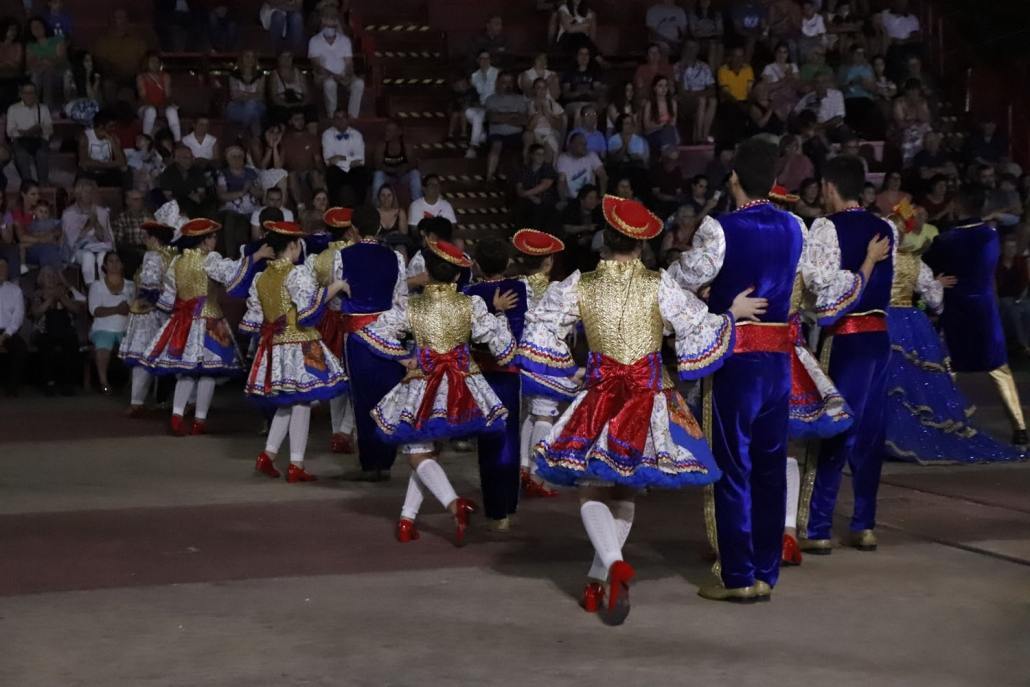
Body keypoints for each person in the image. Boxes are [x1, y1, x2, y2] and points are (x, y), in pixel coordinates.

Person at [518, 194, 758, 623]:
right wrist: (730, 314)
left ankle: (609, 567)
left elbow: (539, 326)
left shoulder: (579, 283)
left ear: (603, 241)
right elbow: (695, 325)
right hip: (648, 399)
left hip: (601, 396)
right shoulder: (659, 283)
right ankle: (600, 577)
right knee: (625, 490)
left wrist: (567, 369)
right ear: (642, 246)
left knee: (591, 488)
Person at [670, 142, 888, 600]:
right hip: (779, 362)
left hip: (738, 360)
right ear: (772, 182)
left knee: (733, 467)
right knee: (769, 467)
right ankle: (766, 571)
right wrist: (864, 271)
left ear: (733, 179)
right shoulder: (796, 226)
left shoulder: (720, 227)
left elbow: (678, 282)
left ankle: (737, 577)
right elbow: (824, 289)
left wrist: (719, 306)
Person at [368, 236, 517, 546]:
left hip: (426, 382)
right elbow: (503, 348)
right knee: (426, 452)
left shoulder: (413, 305)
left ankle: (453, 504)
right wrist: (501, 318)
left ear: (429, 272)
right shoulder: (469, 304)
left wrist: (403, 357)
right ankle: (407, 519)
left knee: (417, 453)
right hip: (462, 384)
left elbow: (375, 332)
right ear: (458, 274)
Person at [799, 155, 897, 557]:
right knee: (871, 433)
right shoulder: (886, 227)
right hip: (881, 339)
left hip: (847, 336)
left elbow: (819, 288)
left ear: (828, 187)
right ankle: (865, 524)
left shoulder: (826, 228)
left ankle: (820, 525)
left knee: (835, 426)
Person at [883, 212, 1024, 464]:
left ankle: (880, 435)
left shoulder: (875, 259)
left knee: (887, 380)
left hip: (882, 320)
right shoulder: (914, 261)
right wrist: (934, 289)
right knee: (918, 383)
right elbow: (934, 299)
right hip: (912, 321)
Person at [242, 220, 349, 483]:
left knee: (288, 402)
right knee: (301, 401)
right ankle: (295, 464)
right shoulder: (296, 273)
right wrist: (336, 287)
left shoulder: (261, 277)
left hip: (275, 346)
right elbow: (309, 310)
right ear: (292, 246)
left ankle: (268, 455)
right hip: (299, 343)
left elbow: (255, 318)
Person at [144, 218, 272, 435]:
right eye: (212, 237)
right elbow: (229, 273)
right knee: (208, 373)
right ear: (203, 242)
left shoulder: (177, 261)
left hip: (182, 320)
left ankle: (177, 415)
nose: (215, 241)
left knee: (186, 372)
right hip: (210, 320)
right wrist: (257, 256)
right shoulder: (210, 259)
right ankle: (199, 420)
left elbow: (167, 296)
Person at [924, 186, 1029, 446]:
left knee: (950, 367)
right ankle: (1020, 427)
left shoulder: (947, 239)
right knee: (999, 369)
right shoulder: (991, 236)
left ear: (959, 205)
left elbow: (927, 265)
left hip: (957, 308)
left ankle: (945, 423)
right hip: (984, 308)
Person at [329, 205, 410, 480]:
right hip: (388, 335)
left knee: (362, 400)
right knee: (388, 395)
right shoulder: (395, 258)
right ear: (379, 227)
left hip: (356, 337)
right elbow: (402, 300)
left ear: (353, 229)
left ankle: (369, 463)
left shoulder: (342, 255)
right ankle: (385, 462)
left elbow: (337, 299)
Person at [462, 237, 530, 530]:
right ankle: (508, 505)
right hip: (509, 373)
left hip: (480, 374)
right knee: (509, 438)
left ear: (477, 264)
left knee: (488, 440)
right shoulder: (520, 289)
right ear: (506, 264)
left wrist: (488, 304)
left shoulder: (469, 294)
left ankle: (494, 508)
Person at [510, 229, 573, 499]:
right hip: (546, 354)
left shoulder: (515, 284)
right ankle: (537, 473)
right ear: (547, 262)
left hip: (519, 350)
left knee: (533, 411)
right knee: (545, 412)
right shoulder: (556, 290)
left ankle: (523, 467)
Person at [120, 218, 177, 416]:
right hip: (169, 311)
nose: (144, 240)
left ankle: (137, 402)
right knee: (169, 357)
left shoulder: (152, 256)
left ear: (154, 239)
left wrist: (150, 297)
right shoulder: (173, 255)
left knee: (142, 357)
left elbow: (149, 286)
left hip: (148, 313)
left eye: (147, 236)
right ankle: (173, 400)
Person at [31, 265, 85, 395]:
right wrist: (50, 299)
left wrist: (61, 297)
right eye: (47, 276)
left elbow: (77, 309)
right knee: (45, 343)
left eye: (53, 276)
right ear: (41, 279)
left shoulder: (66, 292)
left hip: (65, 329)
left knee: (72, 341)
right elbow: (36, 313)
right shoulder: (37, 294)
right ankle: (49, 382)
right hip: (44, 330)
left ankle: (68, 383)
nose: (51, 278)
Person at [88, 252, 134, 394]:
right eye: (110, 261)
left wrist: (128, 309)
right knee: (103, 350)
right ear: (105, 266)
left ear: (122, 265)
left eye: (117, 261)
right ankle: (104, 383)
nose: (114, 265)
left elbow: (133, 308)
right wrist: (117, 309)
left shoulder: (131, 285)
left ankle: (133, 384)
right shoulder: (96, 286)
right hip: (103, 328)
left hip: (125, 328)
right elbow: (94, 310)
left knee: (135, 349)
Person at [308, 13, 364, 119]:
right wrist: (334, 76)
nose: (330, 29)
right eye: (327, 26)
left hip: (343, 75)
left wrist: (348, 74)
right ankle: (332, 117)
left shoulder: (345, 40)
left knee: (359, 83)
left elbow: (349, 62)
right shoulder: (314, 41)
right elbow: (317, 66)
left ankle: (353, 116)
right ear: (322, 26)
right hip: (324, 76)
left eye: (332, 26)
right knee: (330, 84)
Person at [62, 178, 115, 285]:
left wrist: (96, 223)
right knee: (88, 257)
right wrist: (90, 224)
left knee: (103, 257)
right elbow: (73, 241)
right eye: (86, 192)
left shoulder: (102, 212)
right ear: (78, 194)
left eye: (92, 192)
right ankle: (91, 289)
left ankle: (104, 287)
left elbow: (107, 239)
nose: (89, 195)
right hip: (78, 250)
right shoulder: (69, 214)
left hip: (99, 247)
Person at [484, 72, 529, 181]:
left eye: (510, 82)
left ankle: (527, 174)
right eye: (504, 82)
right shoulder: (491, 99)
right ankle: (489, 177)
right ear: (498, 83)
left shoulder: (520, 99)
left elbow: (524, 121)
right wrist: (513, 115)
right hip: (497, 134)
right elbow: (493, 118)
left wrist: (501, 117)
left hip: (516, 135)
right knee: (496, 145)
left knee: (529, 137)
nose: (508, 85)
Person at [7, 82, 53, 185]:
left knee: (42, 155)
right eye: (26, 93)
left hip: (39, 139)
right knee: (21, 155)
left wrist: (39, 129)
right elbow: (10, 131)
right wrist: (25, 133)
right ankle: (28, 185)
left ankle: (43, 185)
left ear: (36, 94)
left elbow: (49, 129)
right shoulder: (13, 109)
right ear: (21, 94)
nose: (29, 95)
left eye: (31, 92)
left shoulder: (43, 108)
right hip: (21, 140)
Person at [322, 109, 369, 207]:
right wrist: (350, 159)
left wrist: (340, 158)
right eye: (337, 118)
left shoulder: (357, 135)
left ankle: (360, 208)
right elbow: (329, 160)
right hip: (336, 170)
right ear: (333, 120)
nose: (341, 120)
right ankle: (334, 209)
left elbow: (361, 160)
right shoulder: (327, 135)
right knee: (331, 172)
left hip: (354, 169)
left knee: (362, 172)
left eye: (343, 117)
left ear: (348, 119)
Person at [676, 38, 717, 144]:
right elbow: (680, 92)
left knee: (712, 101)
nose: (691, 50)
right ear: (684, 49)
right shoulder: (677, 66)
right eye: (688, 47)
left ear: (698, 49)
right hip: (685, 101)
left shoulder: (704, 67)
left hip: (699, 98)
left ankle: (704, 136)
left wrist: (697, 94)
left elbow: (712, 90)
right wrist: (682, 72)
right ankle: (698, 138)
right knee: (702, 100)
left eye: (694, 47)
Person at [372, 120, 421, 204]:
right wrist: (394, 170)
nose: (386, 133)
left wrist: (405, 168)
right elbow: (377, 166)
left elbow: (413, 164)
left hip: (403, 176)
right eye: (386, 130)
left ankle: (417, 205)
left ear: (399, 132)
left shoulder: (406, 144)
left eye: (390, 131)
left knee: (415, 174)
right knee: (378, 175)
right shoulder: (382, 145)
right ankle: (377, 208)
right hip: (388, 176)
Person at [78, 109, 129, 189]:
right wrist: (110, 164)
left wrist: (112, 141)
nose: (114, 129)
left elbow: (122, 162)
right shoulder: (85, 137)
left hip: (107, 172)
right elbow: (85, 162)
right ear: (101, 126)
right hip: (90, 174)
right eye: (111, 126)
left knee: (125, 172)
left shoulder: (113, 137)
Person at [137, 52, 181, 142]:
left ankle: (177, 141)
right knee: (151, 111)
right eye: (152, 61)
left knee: (172, 111)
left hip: (162, 106)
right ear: (147, 63)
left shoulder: (165, 76)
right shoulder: (141, 77)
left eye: (157, 61)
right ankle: (146, 140)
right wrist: (156, 107)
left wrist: (164, 105)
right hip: (145, 107)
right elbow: (143, 98)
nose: (155, 64)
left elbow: (168, 96)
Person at [515, 144, 560, 232]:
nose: (541, 156)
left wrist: (526, 194)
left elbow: (545, 185)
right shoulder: (524, 169)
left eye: (543, 154)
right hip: (528, 199)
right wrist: (531, 197)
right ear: (531, 155)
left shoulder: (548, 168)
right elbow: (519, 188)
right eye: (538, 154)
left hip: (546, 201)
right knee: (520, 207)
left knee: (540, 208)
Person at [998, 234, 1030, 357]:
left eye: (1013, 248)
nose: (1011, 250)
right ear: (1003, 249)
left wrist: (1021, 297)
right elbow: (994, 286)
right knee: (1013, 311)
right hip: (1003, 297)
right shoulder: (997, 264)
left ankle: (1027, 342)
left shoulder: (1020, 262)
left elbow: (1026, 283)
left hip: (1019, 296)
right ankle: (1023, 345)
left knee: (1027, 309)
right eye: (1008, 248)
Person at [793, 73, 849, 142]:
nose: (820, 85)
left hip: (832, 128)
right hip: (814, 130)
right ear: (813, 84)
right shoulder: (808, 97)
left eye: (823, 82)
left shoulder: (836, 94)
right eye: (817, 82)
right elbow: (794, 113)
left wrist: (820, 126)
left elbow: (839, 118)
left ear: (827, 83)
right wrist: (804, 127)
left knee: (844, 129)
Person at [24, 16, 65, 111]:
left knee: (48, 73)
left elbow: (60, 59)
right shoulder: (30, 45)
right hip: (38, 73)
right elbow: (29, 64)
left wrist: (42, 60)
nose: (37, 29)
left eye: (39, 26)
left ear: (44, 26)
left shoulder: (57, 40)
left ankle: (47, 108)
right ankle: (33, 108)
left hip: (58, 73)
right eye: (33, 27)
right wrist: (46, 61)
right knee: (36, 75)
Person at [464, 50, 499, 155]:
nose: (484, 61)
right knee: (469, 112)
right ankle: (482, 133)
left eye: (487, 58)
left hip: (493, 105)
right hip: (479, 106)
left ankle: (473, 146)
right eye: (482, 59)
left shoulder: (497, 73)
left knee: (477, 117)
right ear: (478, 61)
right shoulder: (474, 76)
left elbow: (500, 92)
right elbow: (473, 94)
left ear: (490, 60)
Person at [226, 50, 266, 139]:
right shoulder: (234, 75)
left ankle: (242, 131)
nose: (250, 59)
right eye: (247, 56)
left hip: (257, 106)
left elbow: (260, 96)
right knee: (253, 113)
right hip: (237, 107)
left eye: (252, 57)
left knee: (251, 105)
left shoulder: (260, 75)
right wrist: (251, 96)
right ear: (241, 58)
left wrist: (244, 95)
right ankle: (256, 137)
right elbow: (234, 96)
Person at [0, 257, 26, 396]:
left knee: (20, 348)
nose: (2, 270)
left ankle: (12, 388)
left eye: (4, 267)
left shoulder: (15, 290)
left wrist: (5, 335)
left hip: (8, 331)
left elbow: (18, 317)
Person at [557, 133, 607, 202]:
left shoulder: (591, 155)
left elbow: (603, 176)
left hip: (590, 199)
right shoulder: (563, 159)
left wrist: (601, 197)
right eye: (581, 144)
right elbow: (561, 182)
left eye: (585, 144)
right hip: (572, 200)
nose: (584, 147)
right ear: (572, 145)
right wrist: (563, 201)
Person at [268, 52, 312, 126]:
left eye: (289, 57)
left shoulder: (299, 73)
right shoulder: (274, 75)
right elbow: (274, 97)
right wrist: (287, 105)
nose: (287, 60)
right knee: (279, 113)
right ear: (279, 59)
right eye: (284, 57)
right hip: (282, 105)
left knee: (311, 111)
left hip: (299, 103)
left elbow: (307, 94)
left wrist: (301, 105)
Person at [63, 50, 102, 126]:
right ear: (80, 62)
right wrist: (69, 82)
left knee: (93, 107)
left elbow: (92, 97)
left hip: (89, 106)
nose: (90, 64)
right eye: (87, 61)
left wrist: (87, 77)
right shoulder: (70, 74)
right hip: (74, 105)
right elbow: (67, 97)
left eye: (91, 61)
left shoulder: (95, 77)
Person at [641, 75, 679, 153]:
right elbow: (646, 126)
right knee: (667, 136)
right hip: (653, 133)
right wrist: (661, 125)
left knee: (671, 132)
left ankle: (668, 152)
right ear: (655, 88)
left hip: (668, 132)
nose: (664, 88)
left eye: (666, 85)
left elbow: (673, 123)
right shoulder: (649, 104)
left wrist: (664, 126)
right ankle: (669, 152)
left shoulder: (673, 103)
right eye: (660, 86)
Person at [689, 0, 724, 71]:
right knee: (713, 46)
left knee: (719, 46)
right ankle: (712, 76)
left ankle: (717, 74)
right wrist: (711, 33)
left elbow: (720, 31)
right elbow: (693, 32)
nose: (705, 2)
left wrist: (705, 33)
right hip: (699, 40)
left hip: (713, 40)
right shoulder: (693, 14)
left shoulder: (716, 14)